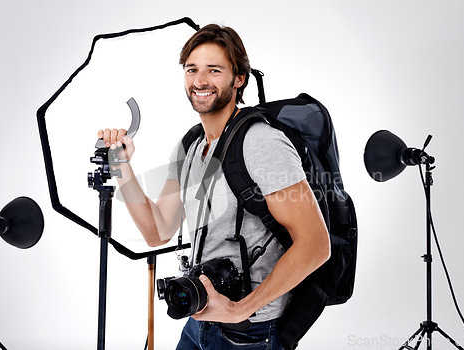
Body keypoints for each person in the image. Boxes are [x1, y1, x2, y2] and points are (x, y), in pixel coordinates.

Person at [99, 24, 330, 350]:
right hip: (197, 318)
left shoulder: (262, 143)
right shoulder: (190, 144)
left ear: (239, 79)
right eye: (192, 69)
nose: (200, 81)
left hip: (249, 332)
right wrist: (121, 166)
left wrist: (239, 309)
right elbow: (158, 230)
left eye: (214, 70)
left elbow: (316, 245)